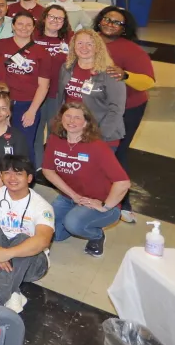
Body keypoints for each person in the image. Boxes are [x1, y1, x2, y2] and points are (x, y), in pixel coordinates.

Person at [0, 155, 54, 313]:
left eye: (19, 174)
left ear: (30, 178)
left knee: (23, 238)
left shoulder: (42, 206)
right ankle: (14, 292)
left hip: (33, 264)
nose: (12, 178)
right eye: (7, 173)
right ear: (0, 176)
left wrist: (7, 253)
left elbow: (43, 240)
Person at [41, 102, 131, 257]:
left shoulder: (97, 147)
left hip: (99, 201)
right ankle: (76, 216)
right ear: (61, 118)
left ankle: (96, 235)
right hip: (69, 197)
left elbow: (123, 183)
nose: (71, 121)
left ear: (86, 123)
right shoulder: (55, 140)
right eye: (68, 116)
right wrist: (74, 196)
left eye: (77, 118)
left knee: (73, 224)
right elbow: (48, 170)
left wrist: (105, 206)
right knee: (51, 231)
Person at [94, 6, 153, 223]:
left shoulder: (132, 50)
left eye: (116, 22)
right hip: (94, 107)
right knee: (93, 151)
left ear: (124, 28)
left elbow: (148, 81)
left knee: (117, 152)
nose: (110, 24)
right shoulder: (89, 41)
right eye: (106, 19)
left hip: (128, 108)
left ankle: (123, 201)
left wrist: (126, 74)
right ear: (99, 21)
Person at [0, 13, 52, 165]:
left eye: (28, 25)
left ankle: (26, 179)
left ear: (33, 28)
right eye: (20, 24)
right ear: (12, 25)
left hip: (27, 105)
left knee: (24, 145)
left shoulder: (41, 52)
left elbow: (43, 85)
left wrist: (32, 111)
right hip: (2, 103)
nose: (24, 28)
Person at [58, 29, 126, 144]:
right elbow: (62, 99)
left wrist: (100, 135)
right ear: (73, 46)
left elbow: (116, 109)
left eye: (90, 44)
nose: (84, 47)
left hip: (100, 134)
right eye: (80, 43)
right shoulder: (67, 68)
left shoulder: (110, 73)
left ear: (97, 48)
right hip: (72, 131)